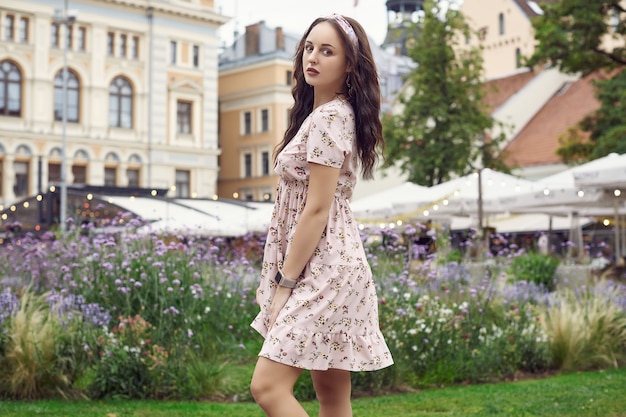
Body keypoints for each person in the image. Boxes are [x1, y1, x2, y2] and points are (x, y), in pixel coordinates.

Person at [249, 14, 393, 417]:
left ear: (349, 64)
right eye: (309, 47)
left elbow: (316, 208)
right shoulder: (328, 114)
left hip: (325, 270)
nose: (312, 57)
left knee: (267, 387)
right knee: (333, 400)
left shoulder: (330, 119)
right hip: (334, 264)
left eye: (327, 51)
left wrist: (284, 284)